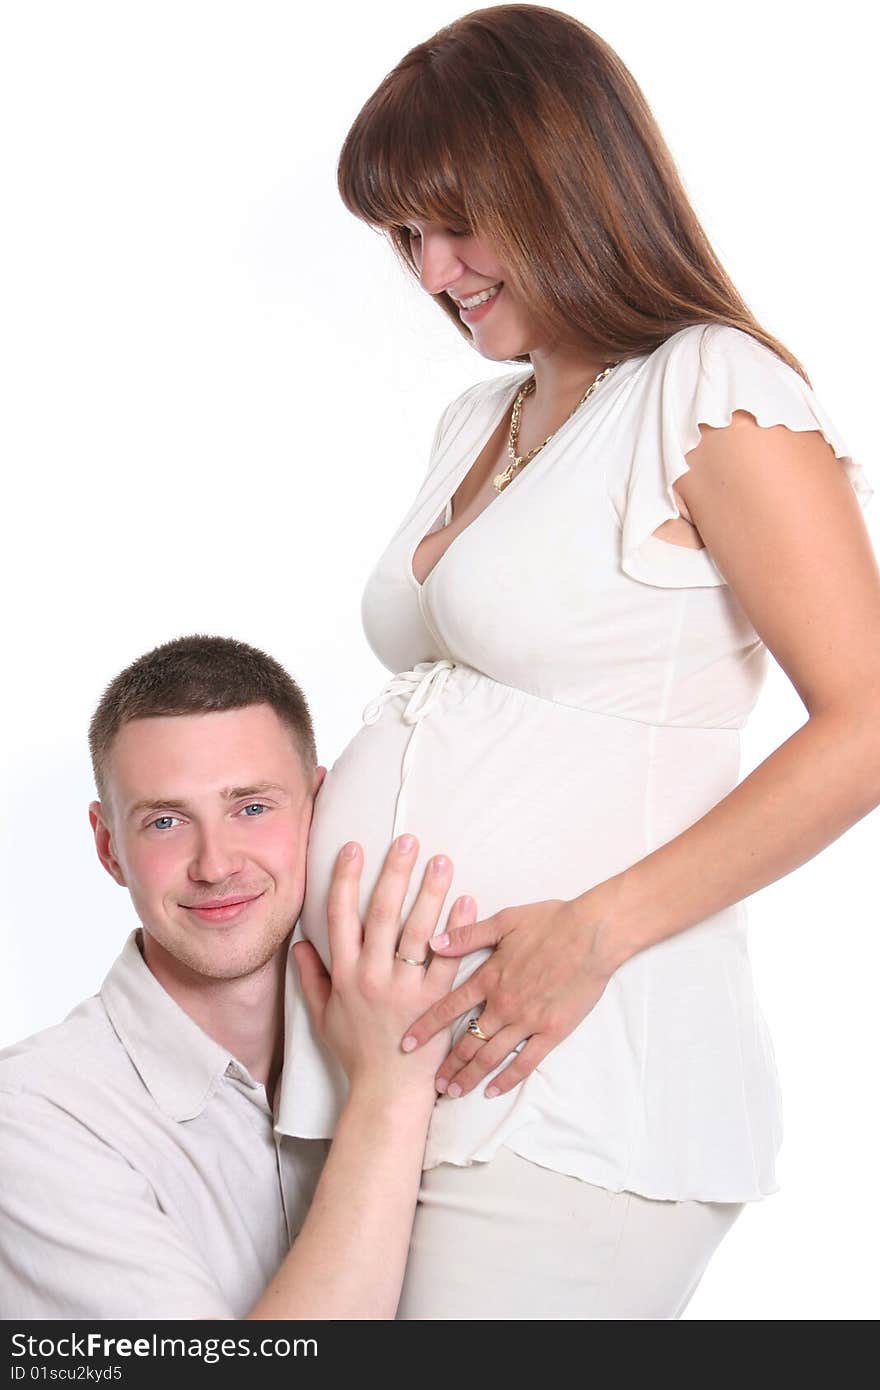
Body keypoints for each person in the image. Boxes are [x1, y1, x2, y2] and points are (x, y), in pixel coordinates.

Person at [275, 4, 880, 1319]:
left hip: (574, 1084)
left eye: (456, 222)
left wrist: (593, 935)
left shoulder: (708, 387)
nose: (434, 270)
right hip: (383, 1071)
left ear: (564, 181)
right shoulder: (479, 417)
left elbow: (871, 720)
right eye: (405, 236)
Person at [0, 633, 477, 1320]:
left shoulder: (416, 1009)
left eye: (252, 808)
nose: (215, 863)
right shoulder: (35, 1117)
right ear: (109, 848)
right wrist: (389, 1091)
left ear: (321, 806)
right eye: (165, 821)